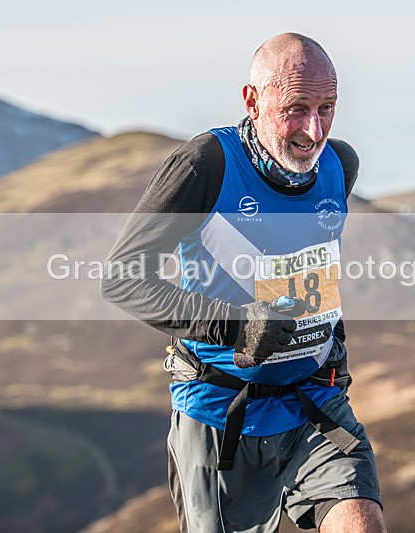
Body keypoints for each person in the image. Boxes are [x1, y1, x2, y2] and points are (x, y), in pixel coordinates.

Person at [101, 33, 386, 533]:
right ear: (252, 101)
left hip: (315, 404)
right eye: (296, 108)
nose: (313, 130)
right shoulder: (205, 165)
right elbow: (123, 277)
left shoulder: (340, 166)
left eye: (327, 107)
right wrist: (237, 326)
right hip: (220, 413)